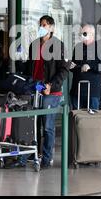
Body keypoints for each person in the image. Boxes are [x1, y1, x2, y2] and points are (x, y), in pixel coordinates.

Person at [26, 15, 69, 168]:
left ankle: (47, 157)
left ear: (51, 27)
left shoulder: (58, 46)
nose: (41, 27)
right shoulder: (34, 45)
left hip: (51, 91)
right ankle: (34, 153)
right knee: (34, 124)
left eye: (44, 25)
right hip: (36, 88)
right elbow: (29, 67)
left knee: (48, 126)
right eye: (40, 24)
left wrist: (51, 85)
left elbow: (64, 70)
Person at [70, 24, 101, 111]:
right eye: (80, 34)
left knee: (91, 120)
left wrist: (90, 66)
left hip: (92, 92)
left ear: (92, 34)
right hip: (77, 90)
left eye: (84, 34)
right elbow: (73, 66)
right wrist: (74, 66)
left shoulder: (100, 48)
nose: (81, 36)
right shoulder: (78, 47)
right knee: (77, 119)